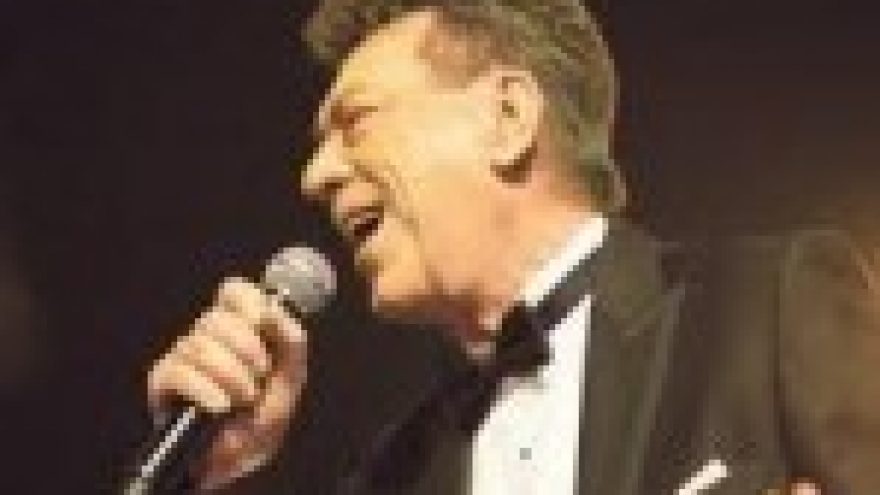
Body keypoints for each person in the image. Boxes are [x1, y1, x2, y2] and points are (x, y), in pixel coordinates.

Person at [146, 1, 880, 494]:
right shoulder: (392, 472)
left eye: (357, 121)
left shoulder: (768, 307)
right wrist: (209, 472)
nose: (317, 174)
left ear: (508, 116)